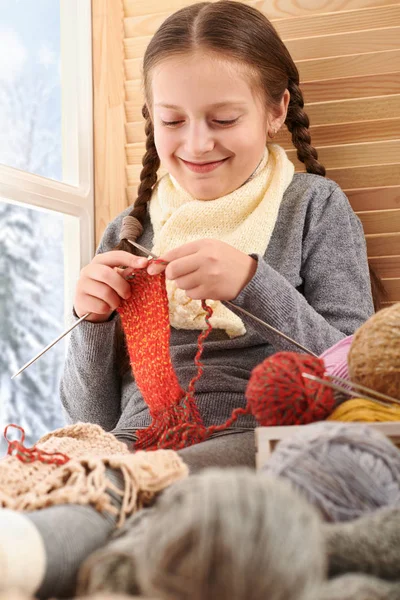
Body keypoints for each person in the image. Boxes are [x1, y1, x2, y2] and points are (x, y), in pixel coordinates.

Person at [0, 2, 376, 598]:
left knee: (120, 485)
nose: (196, 143)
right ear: (151, 121)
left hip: (257, 436)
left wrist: (254, 283)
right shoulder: (129, 230)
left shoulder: (314, 207)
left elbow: (359, 376)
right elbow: (91, 417)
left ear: (276, 110)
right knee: (85, 470)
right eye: (172, 121)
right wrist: (91, 321)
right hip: (131, 440)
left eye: (223, 118)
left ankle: (42, 554)